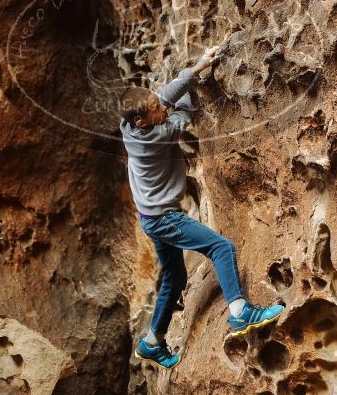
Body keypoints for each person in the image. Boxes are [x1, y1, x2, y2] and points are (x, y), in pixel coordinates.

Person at [119, 45, 284, 370]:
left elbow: (165, 99)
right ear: (143, 121)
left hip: (151, 217)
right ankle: (241, 313)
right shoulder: (158, 136)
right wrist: (192, 84)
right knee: (222, 247)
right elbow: (182, 112)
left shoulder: (131, 127)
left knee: (174, 277)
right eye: (154, 109)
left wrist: (195, 70)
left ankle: (152, 342)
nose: (160, 108)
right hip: (164, 218)